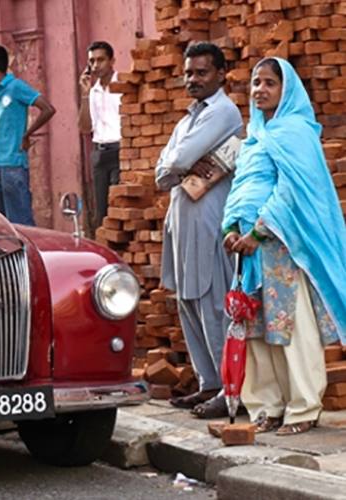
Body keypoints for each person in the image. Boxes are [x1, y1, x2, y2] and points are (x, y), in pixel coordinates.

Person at [222, 57, 346, 435]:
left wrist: (258, 232)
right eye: (255, 83)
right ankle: (268, 405)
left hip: (281, 243)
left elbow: (292, 191)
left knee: (290, 326)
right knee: (256, 328)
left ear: (286, 89)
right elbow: (241, 186)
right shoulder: (256, 136)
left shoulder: (295, 131)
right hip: (247, 248)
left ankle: (304, 407)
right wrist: (229, 225)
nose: (259, 90)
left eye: (269, 83)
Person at [155, 42, 243, 417]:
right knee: (188, 302)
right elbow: (162, 173)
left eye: (201, 72)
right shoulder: (187, 119)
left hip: (209, 219)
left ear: (221, 74)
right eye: (188, 73)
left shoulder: (224, 112)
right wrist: (176, 167)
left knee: (211, 301)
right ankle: (208, 382)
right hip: (181, 219)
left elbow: (178, 159)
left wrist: (177, 166)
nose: (192, 79)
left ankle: (229, 389)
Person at [0, 44, 55, 225]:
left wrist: (27, 134)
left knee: (21, 223)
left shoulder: (16, 87)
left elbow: (48, 109)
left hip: (13, 164)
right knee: (2, 225)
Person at [78, 41, 122, 227]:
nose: (96, 65)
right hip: (99, 153)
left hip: (120, 150)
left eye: (101, 60)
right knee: (101, 213)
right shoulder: (93, 91)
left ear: (112, 61)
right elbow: (85, 128)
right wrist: (85, 94)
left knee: (118, 206)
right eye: (92, 61)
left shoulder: (122, 84)